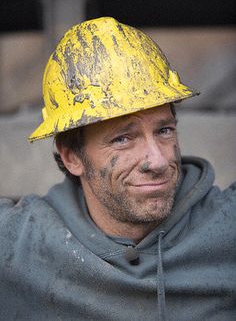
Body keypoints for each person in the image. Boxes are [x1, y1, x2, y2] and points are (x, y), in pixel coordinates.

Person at [0, 17, 235, 321]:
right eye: (123, 139)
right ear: (71, 157)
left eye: (164, 131)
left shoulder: (228, 227)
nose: (158, 161)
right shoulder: (17, 247)